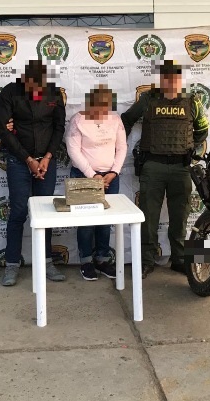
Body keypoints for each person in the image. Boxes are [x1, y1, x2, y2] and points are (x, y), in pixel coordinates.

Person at [121, 60, 209, 279]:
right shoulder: (148, 99)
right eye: (167, 77)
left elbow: (202, 130)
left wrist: (190, 149)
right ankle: (146, 261)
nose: (171, 81)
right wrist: (118, 146)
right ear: (161, 79)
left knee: (180, 217)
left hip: (181, 167)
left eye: (175, 77)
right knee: (149, 217)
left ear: (180, 79)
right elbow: (126, 120)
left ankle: (179, 259)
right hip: (153, 165)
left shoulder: (192, 101)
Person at [0, 59, 66, 286]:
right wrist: (28, 160)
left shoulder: (54, 93)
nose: (37, 90)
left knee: (45, 213)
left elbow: (59, 128)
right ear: (24, 80)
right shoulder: (9, 93)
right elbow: (4, 131)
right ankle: (11, 264)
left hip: (46, 162)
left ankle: (46, 262)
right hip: (19, 161)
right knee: (18, 212)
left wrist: (46, 158)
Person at [65, 84, 127, 281]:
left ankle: (102, 259)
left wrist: (114, 172)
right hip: (84, 176)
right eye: (98, 105)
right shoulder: (78, 120)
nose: (102, 109)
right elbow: (73, 150)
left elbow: (122, 147)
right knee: (86, 222)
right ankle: (86, 261)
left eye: (106, 105)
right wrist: (92, 175)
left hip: (110, 177)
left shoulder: (115, 119)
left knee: (105, 221)